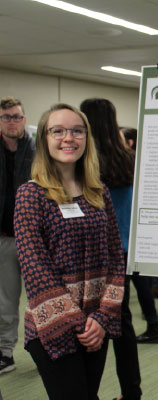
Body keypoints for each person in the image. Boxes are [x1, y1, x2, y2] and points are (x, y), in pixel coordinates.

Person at [14, 103, 125, 399]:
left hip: (95, 325)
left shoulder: (98, 192)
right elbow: (35, 268)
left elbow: (116, 257)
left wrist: (102, 318)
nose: (69, 138)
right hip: (53, 326)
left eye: (77, 131)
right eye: (58, 131)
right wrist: (80, 324)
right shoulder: (31, 195)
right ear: (44, 139)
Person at [80, 98, 142, 400]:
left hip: (95, 254)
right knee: (122, 321)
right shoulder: (128, 157)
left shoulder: (88, 164)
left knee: (94, 322)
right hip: (125, 250)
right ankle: (132, 391)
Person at [0, 96, 35, 374]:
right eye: (6, 117)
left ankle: (45, 348)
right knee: (7, 300)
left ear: (24, 118)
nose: (12, 121)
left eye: (17, 116)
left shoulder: (38, 148)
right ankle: (5, 352)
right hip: (5, 237)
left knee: (41, 296)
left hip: (35, 237)